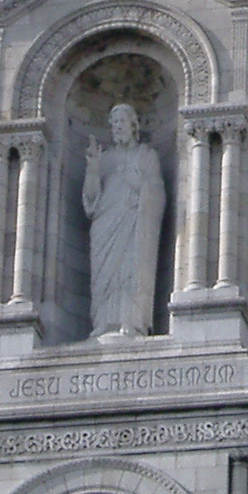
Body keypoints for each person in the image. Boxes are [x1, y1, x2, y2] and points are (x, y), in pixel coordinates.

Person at [83, 104, 166, 338]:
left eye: (121, 122)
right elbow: (90, 201)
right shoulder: (105, 159)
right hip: (105, 226)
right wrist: (92, 168)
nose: (117, 127)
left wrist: (139, 185)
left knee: (132, 271)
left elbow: (158, 195)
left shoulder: (147, 156)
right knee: (104, 279)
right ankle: (103, 323)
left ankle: (132, 322)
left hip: (136, 226)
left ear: (133, 125)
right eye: (114, 123)